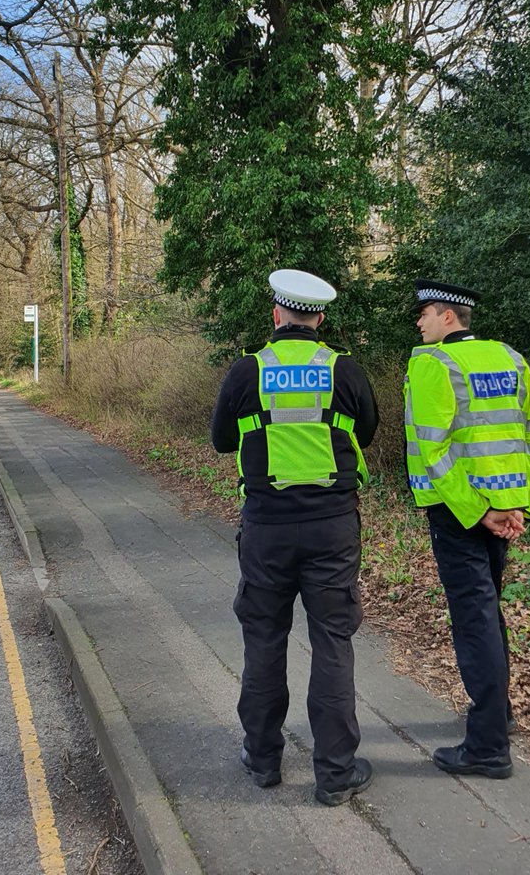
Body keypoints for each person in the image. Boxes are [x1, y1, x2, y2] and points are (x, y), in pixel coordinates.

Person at [211, 269, 379, 806]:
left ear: (277, 316)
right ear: (320, 319)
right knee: (332, 640)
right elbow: (368, 432)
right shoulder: (344, 371)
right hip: (332, 526)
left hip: (266, 526)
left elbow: (220, 441)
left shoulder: (247, 372)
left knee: (264, 638)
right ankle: (334, 773)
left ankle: (263, 760)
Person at [404, 279, 530, 779]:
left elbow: (436, 450)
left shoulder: (432, 364)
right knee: (488, 609)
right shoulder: (511, 358)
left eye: (424, 312)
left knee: (474, 620)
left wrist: (474, 512)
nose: (419, 322)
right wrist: (522, 507)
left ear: (448, 316)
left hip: (459, 512)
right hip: (504, 507)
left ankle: (487, 748)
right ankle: (501, 714)